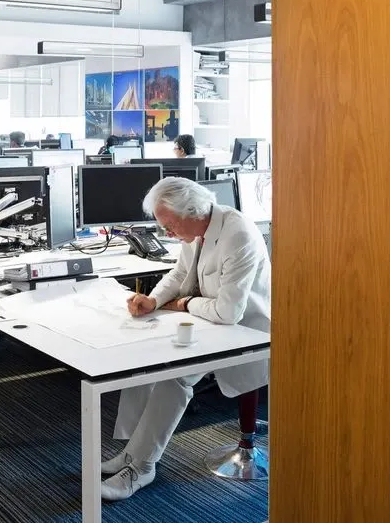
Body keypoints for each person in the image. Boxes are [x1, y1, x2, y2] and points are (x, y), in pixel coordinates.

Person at [100, 177, 271, 501]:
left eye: (169, 226)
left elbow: (228, 313)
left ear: (193, 212)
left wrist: (184, 303)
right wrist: (153, 300)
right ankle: (134, 453)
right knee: (146, 361)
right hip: (210, 322)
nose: (166, 233)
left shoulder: (238, 234)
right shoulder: (197, 228)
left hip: (246, 331)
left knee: (175, 376)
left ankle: (142, 467)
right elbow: (180, 273)